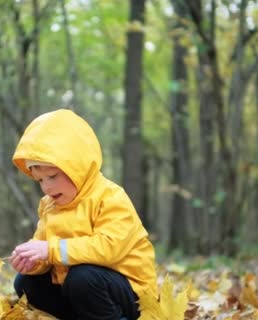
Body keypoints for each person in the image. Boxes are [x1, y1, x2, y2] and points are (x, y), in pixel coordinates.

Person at [10, 109, 157, 320]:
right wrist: (33, 262)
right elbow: (45, 249)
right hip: (78, 292)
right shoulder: (49, 206)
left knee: (83, 277)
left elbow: (109, 248)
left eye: (52, 176)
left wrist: (50, 250)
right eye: (40, 180)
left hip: (129, 291)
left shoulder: (110, 197)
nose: (47, 187)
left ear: (77, 167)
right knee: (25, 282)